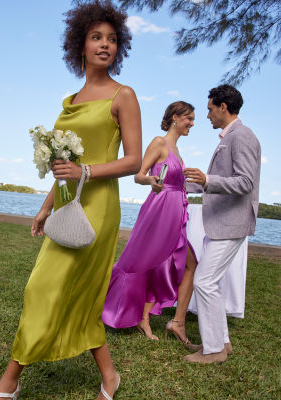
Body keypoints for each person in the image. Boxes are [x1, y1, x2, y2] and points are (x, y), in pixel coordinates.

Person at [0, 1, 141, 399]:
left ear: (118, 47)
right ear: (80, 45)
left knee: (69, 288)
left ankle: (10, 378)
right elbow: (63, 167)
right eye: (96, 38)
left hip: (99, 207)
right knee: (46, 287)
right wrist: (43, 208)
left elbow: (134, 161)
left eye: (111, 39)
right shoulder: (70, 101)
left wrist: (87, 171)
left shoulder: (123, 96)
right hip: (67, 204)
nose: (104, 45)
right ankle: (109, 376)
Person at [102, 101, 199, 349]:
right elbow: (139, 175)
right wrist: (151, 181)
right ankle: (122, 310)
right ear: (175, 117)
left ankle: (144, 318)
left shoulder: (177, 150)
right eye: (189, 119)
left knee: (166, 262)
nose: (191, 124)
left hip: (176, 211)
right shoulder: (159, 143)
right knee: (145, 260)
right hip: (159, 209)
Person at [183, 84, 261, 363]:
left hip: (232, 223)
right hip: (223, 223)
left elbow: (245, 183)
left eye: (209, 109)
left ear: (223, 107)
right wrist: (184, 184)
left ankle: (214, 350)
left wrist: (207, 180)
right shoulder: (229, 137)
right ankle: (222, 343)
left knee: (204, 282)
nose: (207, 116)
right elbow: (218, 182)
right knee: (210, 282)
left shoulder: (242, 136)